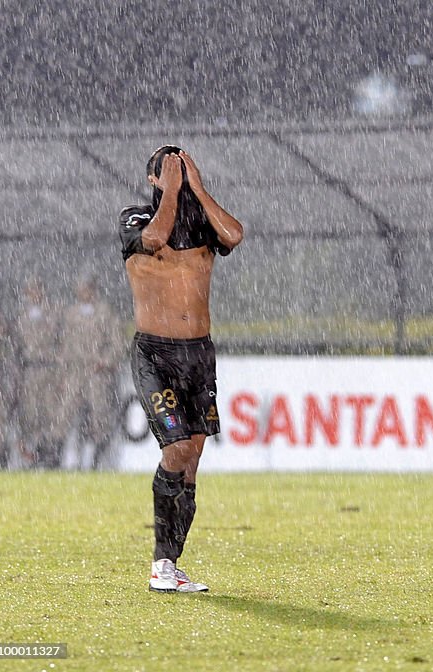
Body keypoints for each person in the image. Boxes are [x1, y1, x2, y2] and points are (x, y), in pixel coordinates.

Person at [118, 146, 244, 593]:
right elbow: (154, 239)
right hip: (155, 355)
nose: (177, 173)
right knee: (174, 451)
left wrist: (198, 187)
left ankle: (172, 561)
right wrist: (171, 188)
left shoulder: (206, 224)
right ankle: (160, 564)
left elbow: (234, 234)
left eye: (182, 165)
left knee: (191, 460)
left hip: (199, 356)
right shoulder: (135, 219)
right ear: (152, 179)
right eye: (166, 168)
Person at [59, 276, 126, 470]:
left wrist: (104, 362)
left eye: (87, 288)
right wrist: (64, 372)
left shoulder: (106, 313)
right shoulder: (71, 314)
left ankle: (97, 460)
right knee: (66, 415)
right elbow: (65, 344)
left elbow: (117, 343)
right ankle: (68, 459)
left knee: (100, 417)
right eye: (80, 288)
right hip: (75, 372)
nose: (83, 293)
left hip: (98, 374)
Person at [13, 278, 67, 469]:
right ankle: (33, 456)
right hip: (30, 369)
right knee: (30, 414)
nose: (33, 294)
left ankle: (50, 455)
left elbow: (61, 343)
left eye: (36, 289)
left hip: (48, 368)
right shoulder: (22, 315)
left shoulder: (54, 312)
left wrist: (60, 372)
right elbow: (18, 346)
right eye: (30, 290)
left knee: (50, 413)